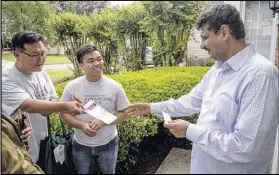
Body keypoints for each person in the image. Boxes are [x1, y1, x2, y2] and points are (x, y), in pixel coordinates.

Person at [123, 4, 279, 174]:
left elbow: (247, 148)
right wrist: (150, 108)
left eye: (205, 37)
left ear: (224, 32)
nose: (202, 45)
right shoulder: (217, 70)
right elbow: (191, 101)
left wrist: (190, 131)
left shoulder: (260, 75)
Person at [1, 31, 84, 170]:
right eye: (34, 55)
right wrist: (65, 106)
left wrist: (53, 108)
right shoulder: (5, 79)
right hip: (18, 153)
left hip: (43, 145)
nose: (41, 59)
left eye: (43, 54)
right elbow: (28, 105)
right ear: (16, 54)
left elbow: (51, 102)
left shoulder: (42, 74)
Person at [60, 45, 130, 174]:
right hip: (80, 144)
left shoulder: (115, 87)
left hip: (108, 143)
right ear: (81, 65)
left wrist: (103, 121)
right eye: (91, 61)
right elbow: (64, 112)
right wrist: (81, 125)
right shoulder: (72, 87)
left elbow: (125, 114)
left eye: (99, 59)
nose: (97, 63)